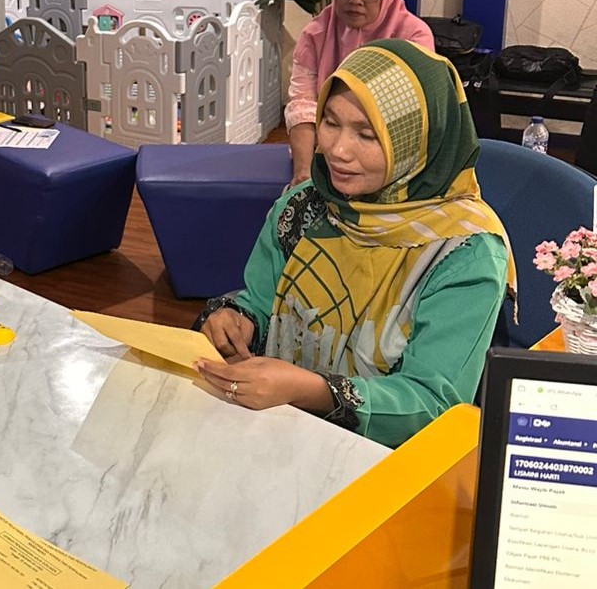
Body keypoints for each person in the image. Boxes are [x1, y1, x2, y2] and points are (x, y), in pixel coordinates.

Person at [194, 40, 514, 448]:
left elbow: (432, 404)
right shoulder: (305, 206)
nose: (337, 150)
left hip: (383, 460)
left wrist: (311, 390)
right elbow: (260, 300)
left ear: (415, 145)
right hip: (273, 432)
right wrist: (237, 321)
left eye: (367, 134)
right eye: (330, 122)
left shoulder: (463, 251)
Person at [286, 0, 434, 186]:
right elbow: (302, 102)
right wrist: (303, 172)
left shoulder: (414, 36)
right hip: (325, 149)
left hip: (390, 151)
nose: (356, 0)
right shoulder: (315, 33)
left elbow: (413, 114)